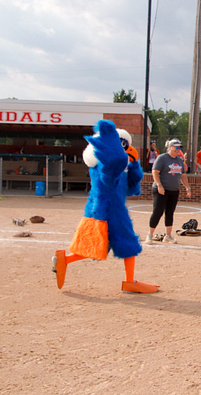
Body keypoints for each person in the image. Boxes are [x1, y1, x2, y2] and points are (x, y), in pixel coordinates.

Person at [53, 121, 158, 294]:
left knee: (99, 245)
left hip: (100, 208)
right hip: (111, 210)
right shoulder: (106, 165)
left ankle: (64, 260)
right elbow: (109, 179)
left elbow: (130, 189)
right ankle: (129, 282)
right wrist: (121, 159)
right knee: (128, 242)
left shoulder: (109, 166)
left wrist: (133, 165)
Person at [147, 139, 192, 244]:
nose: (178, 149)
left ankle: (168, 236)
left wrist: (187, 187)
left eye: (179, 147)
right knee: (158, 211)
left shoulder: (179, 160)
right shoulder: (162, 158)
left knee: (170, 212)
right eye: (176, 147)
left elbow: (183, 175)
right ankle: (150, 234)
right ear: (170, 147)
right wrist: (159, 185)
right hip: (161, 189)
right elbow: (155, 172)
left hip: (174, 190)